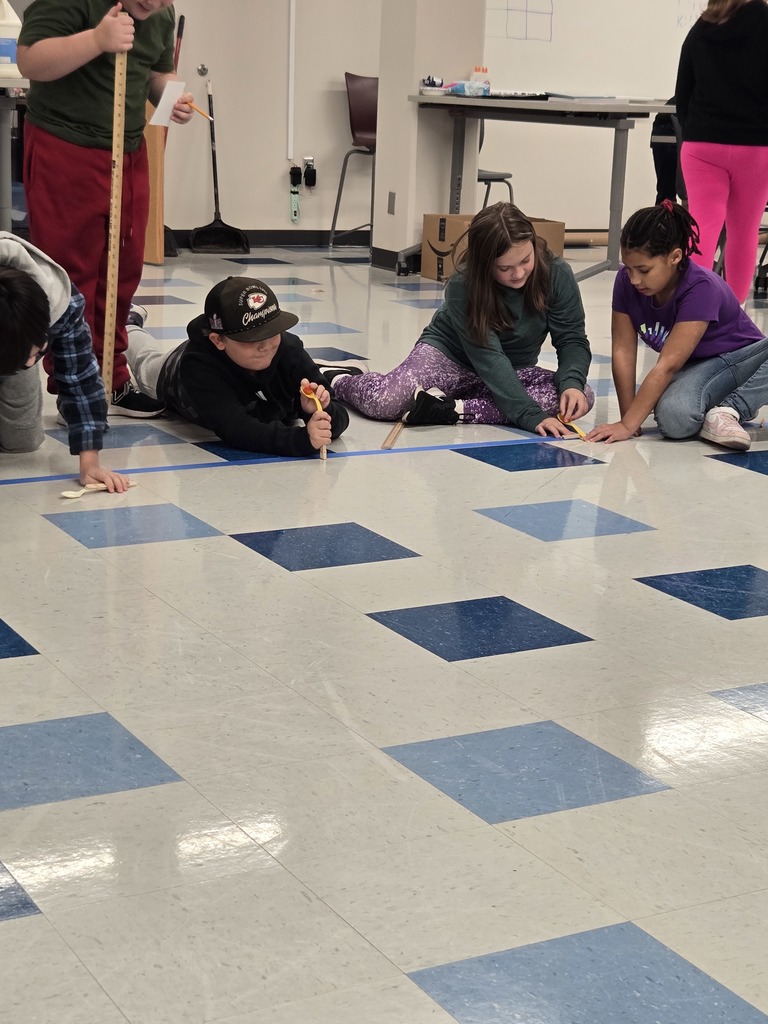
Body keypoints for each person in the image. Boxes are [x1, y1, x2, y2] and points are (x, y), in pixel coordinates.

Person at [17, 0, 195, 417]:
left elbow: (156, 70)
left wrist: (171, 97)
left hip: (128, 150)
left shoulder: (160, 11)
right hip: (66, 144)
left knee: (123, 269)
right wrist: (97, 40)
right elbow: (30, 60)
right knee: (72, 273)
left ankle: (111, 378)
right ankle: (75, 387)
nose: (154, 3)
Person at [325, 203, 594, 436]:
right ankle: (341, 379)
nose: (519, 273)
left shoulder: (557, 273)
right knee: (385, 402)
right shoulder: (463, 284)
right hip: (450, 357)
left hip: (513, 368)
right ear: (484, 264)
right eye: (505, 267)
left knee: (581, 395)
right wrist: (528, 414)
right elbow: (489, 357)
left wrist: (571, 384)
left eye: (525, 260)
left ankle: (454, 409)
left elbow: (571, 339)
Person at [587, 201, 768, 452]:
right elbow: (623, 351)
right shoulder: (625, 283)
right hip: (698, 368)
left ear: (675, 256)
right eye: (628, 269)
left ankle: (731, 409)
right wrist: (628, 418)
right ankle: (722, 407)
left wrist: (627, 425)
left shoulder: (701, 287)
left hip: (746, 360)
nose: (634, 279)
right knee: (675, 421)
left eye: (644, 270)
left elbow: (668, 365)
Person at [124, 278, 350, 457]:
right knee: (145, 360)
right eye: (252, 338)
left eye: (272, 332)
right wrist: (301, 440)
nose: (265, 346)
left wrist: (320, 411)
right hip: (172, 375)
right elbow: (236, 429)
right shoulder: (197, 367)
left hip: (250, 391)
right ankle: (127, 325)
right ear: (218, 340)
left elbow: (339, 416)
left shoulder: (289, 349)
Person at [0, 233, 129, 492]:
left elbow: (81, 379)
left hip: (14, 340)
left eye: (38, 352)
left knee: (22, 441)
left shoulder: (61, 301)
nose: (31, 362)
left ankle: (135, 328)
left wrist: (90, 463)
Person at [674, 0, 768, 303]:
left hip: (702, 145)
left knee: (701, 228)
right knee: (745, 231)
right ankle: (734, 312)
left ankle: (694, 310)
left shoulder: (701, 27)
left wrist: (696, 129)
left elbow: (682, 91)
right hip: (755, 146)